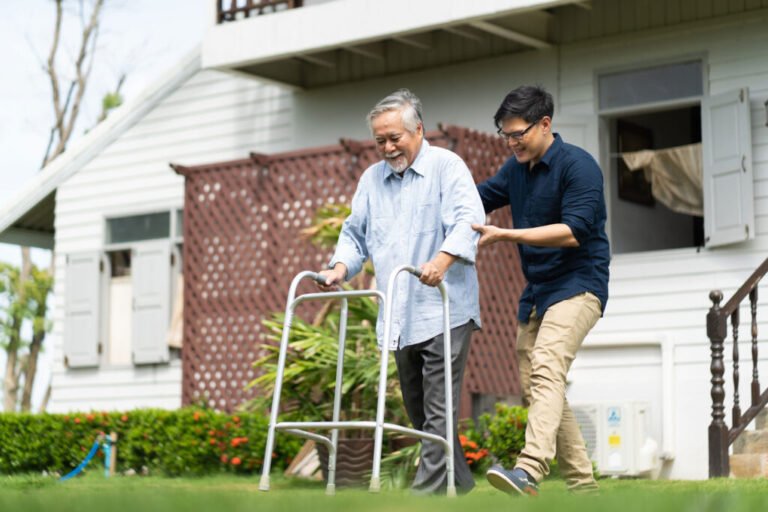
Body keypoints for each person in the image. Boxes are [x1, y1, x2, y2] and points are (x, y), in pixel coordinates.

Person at [318, 88, 485, 494]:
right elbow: (354, 235)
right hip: (399, 313)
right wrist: (340, 267)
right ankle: (461, 487)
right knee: (420, 412)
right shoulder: (372, 180)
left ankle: (423, 495)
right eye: (380, 141)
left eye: (395, 138)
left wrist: (442, 261)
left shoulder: (447, 166)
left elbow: (469, 219)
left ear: (419, 130)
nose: (388, 147)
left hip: (445, 310)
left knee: (439, 408)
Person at [473, 85, 610, 496]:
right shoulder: (515, 170)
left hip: (580, 284)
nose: (511, 143)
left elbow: (573, 232)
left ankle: (529, 469)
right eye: (506, 135)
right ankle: (584, 488)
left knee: (548, 367)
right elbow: (476, 198)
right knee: (538, 384)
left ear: (545, 124)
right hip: (538, 292)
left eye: (518, 134)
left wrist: (505, 235)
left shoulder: (578, 166)